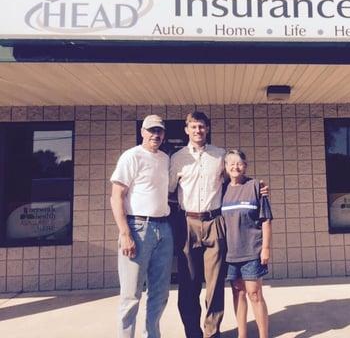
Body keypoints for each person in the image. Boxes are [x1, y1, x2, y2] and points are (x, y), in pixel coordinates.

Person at [169, 111, 267, 338]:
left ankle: (212, 333)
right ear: (186, 129)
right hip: (188, 223)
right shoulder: (177, 158)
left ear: (207, 129)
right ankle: (193, 333)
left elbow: (235, 178)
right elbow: (168, 191)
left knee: (214, 285)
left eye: (201, 126)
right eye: (193, 126)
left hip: (215, 222)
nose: (198, 131)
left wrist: (257, 186)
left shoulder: (219, 155)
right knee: (189, 283)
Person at [110, 114, 174, 338]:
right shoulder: (131, 156)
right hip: (137, 228)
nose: (156, 135)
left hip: (164, 229)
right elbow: (116, 196)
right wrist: (125, 233)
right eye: (151, 130)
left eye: (159, 131)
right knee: (130, 296)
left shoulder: (165, 158)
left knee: (160, 293)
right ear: (142, 132)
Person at [222, 149, 272, 338]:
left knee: (254, 293)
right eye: (231, 163)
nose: (235, 166)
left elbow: (266, 220)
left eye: (239, 163)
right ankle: (241, 335)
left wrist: (265, 248)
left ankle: (263, 335)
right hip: (230, 252)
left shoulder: (255, 187)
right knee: (238, 293)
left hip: (252, 250)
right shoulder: (222, 190)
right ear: (226, 167)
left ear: (245, 166)